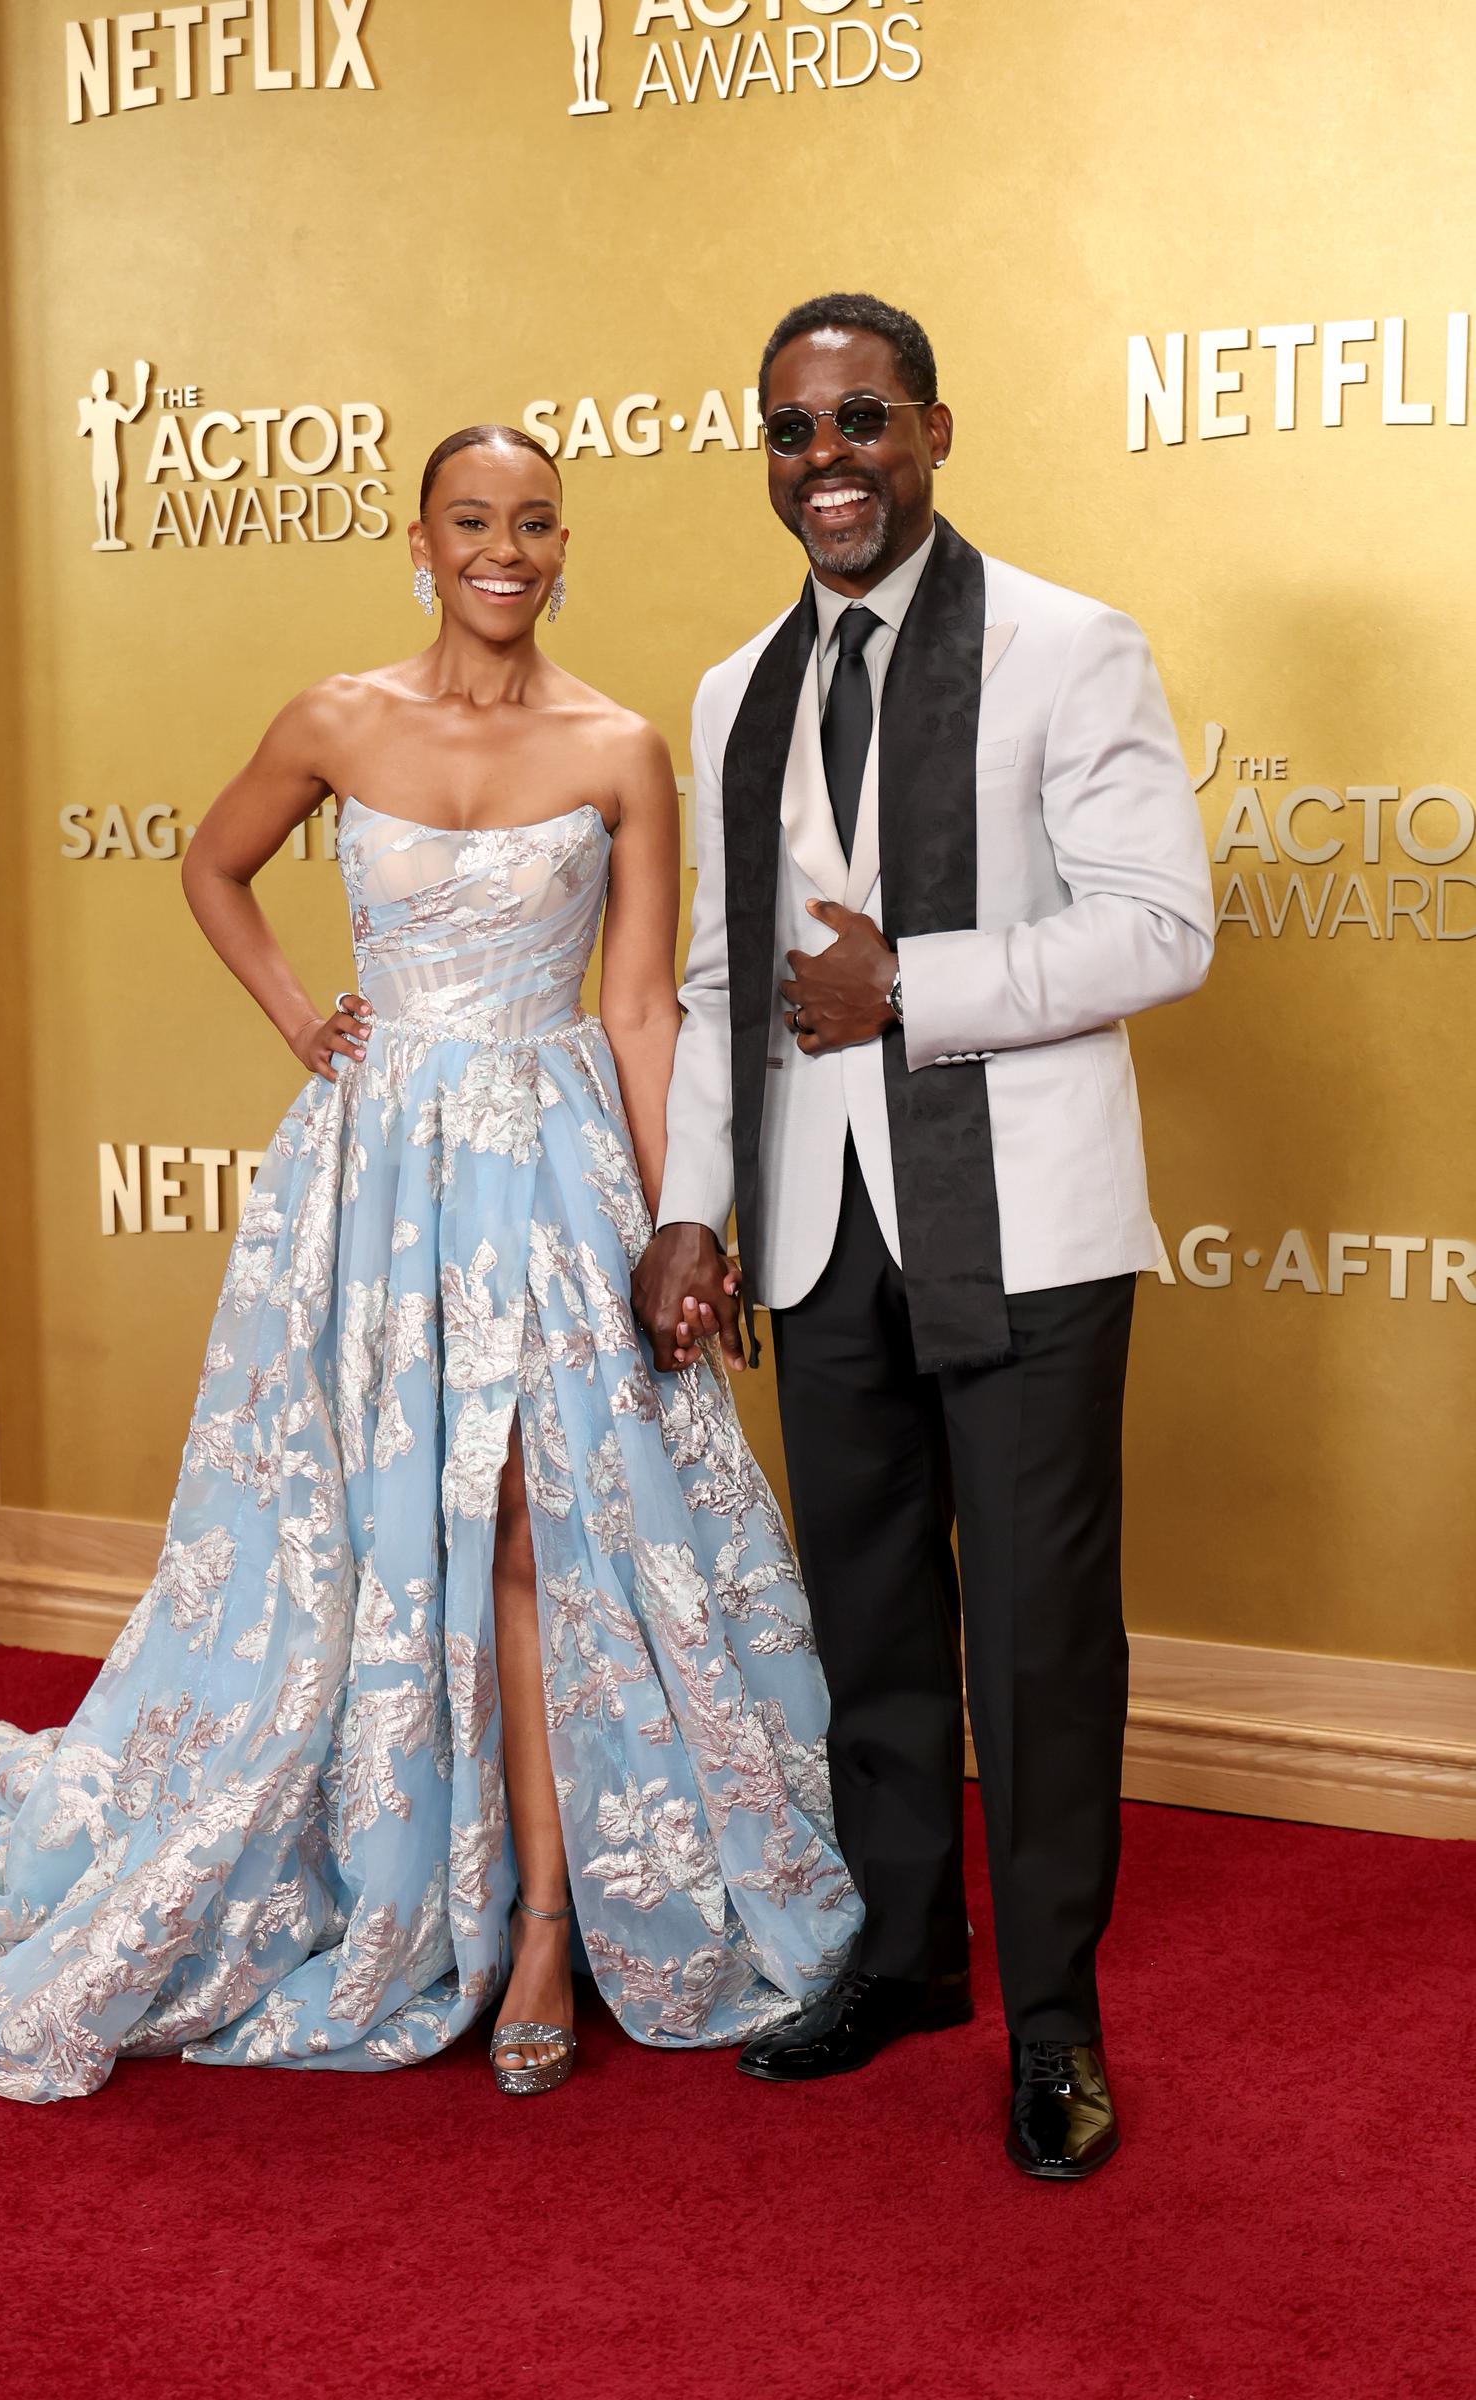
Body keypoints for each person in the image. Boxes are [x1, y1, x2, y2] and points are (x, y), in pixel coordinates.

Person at [0, 424, 857, 2104]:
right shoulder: (333, 717)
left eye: (529, 523)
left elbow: (639, 1004)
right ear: (420, 540)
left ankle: (531, 1924)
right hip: (371, 1179)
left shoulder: (618, 747)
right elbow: (210, 861)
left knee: (527, 1512)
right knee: (375, 1522)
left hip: (546, 1165)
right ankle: (401, 1868)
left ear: (562, 542)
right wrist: (306, 1019)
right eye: (469, 522)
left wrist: (681, 1220)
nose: (500, 550)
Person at [632, 296, 1213, 2178]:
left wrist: (912, 989)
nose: (829, 465)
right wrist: (691, 1212)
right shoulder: (735, 692)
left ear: (934, 430)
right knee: (870, 1621)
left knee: (1039, 1642)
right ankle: (900, 1961)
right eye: (793, 433)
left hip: (1024, 1229)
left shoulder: (1068, 645)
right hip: (817, 1234)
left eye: (860, 422)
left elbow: (1161, 927)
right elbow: (728, 982)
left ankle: (1053, 2023)